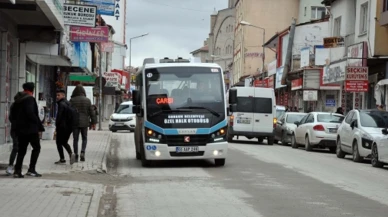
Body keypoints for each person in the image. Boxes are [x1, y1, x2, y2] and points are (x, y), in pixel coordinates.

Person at [13, 82, 45, 178]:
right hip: (31, 129)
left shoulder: (17, 99)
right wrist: (39, 125)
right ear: (32, 90)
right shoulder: (29, 99)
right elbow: (31, 113)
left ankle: (17, 171)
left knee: (21, 150)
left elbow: (12, 114)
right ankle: (31, 169)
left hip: (20, 129)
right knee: (36, 148)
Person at [70, 85, 97, 162]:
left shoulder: (72, 100)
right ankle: (83, 152)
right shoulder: (87, 100)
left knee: (75, 139)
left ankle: (76, 155)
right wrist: (93, 122)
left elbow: (69, 112)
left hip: (75, 122)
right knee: (84, 138)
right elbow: (92, 112)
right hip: (85, 122)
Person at [55, 89, 75, 165]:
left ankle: (62, 158)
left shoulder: (61, 104)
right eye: (56, 95)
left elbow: (59, 116)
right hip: (69, 127)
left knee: (58, 142)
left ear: (63, 95)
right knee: (64, 142)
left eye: (58, 95)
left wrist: (56, 126)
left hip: (62, 127)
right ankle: (70, 153)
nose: (57, 97)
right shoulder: (68, 103)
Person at [5, 93, 24, 175]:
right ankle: (11, 165)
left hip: (20, 130)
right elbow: (11, 118)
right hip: (16, 130)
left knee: (19, 148)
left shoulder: (22, 106)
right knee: (16, 147)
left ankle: (17, 167)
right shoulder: (14, 106)